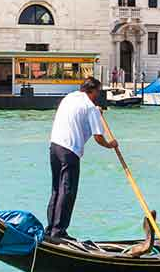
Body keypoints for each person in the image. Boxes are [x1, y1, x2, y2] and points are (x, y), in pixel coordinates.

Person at [46, 77, 117, 240]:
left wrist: (96, 113)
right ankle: (59, 231)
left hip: (54, 147)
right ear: (92, 91)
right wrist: (110, 145)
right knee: (67, 190)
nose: (98, 95)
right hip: (69, 150)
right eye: (98, 92)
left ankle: (50, 228)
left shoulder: (69, 97)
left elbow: (79, 118)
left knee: (56, 189)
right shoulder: (90, 107)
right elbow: (99, 137)